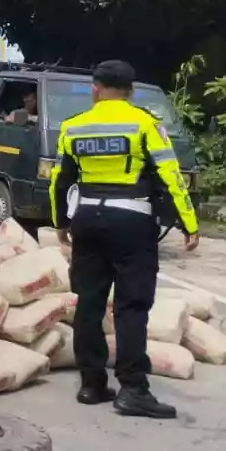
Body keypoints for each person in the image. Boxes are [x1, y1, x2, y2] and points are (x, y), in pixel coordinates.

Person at [49, 59, 198, 420]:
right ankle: (133, 389)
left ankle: (92, 384)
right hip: (132, 221)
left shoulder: (73, 127)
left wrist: (61, 222)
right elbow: (170, 173)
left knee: (89, 302)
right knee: (132, 306)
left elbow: (59, 179)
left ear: (95, 89)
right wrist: (189, 222)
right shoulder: (145, 123)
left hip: (87, 219)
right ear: (130, 92)